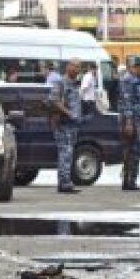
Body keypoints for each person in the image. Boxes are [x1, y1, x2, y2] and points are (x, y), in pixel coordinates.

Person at [47, 58, 83, 194]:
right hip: (63, 124)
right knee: (65, 154)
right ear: (68, 67)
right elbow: (53, 100)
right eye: (74, 66)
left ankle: (65, 182)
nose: (76, 69)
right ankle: (64, 184)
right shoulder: (61, 82)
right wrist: (68, 113)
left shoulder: (75, 84)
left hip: (73, 126)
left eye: (79, 67)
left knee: (68, 154)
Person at [119, 57, 140, 191]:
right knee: (133, 151)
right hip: (132, 122)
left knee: (134, 151)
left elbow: (138, 100)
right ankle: (129, 181)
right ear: (137, 67)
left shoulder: (137, 81)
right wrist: (129, 123)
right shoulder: (129, 80)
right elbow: (127, 102)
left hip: (138, 121)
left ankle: (130, 179)